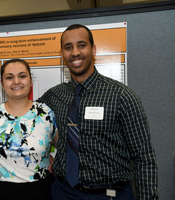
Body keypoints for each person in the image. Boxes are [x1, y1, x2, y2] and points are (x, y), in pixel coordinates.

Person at [38, 24, 158, 200]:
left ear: (93, 49)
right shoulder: (54, 95)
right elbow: (27, 119)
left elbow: (144, 157)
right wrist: (41, 153)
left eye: (81, 45)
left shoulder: (122, 96)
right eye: (68, 47)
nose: (75, 52)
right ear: (62, 54)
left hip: (109, 195)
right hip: (63, 193)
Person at [0, 58, 58, 200]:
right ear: (2, 84)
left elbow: (61, 146)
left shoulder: (45, 113)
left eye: (22, 76)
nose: (16, 81)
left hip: (38, 191)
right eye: (9, 77)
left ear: (30, 81)